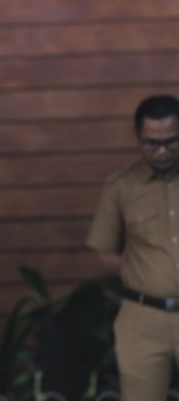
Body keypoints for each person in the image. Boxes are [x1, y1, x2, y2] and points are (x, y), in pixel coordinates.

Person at [86, 94, 179, 400]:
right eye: (152, 143)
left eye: (171, 142)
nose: (162, 151)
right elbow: (104, 252)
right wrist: (145, 274)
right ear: (138, 137)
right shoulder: (120, 187)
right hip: (142, 316)